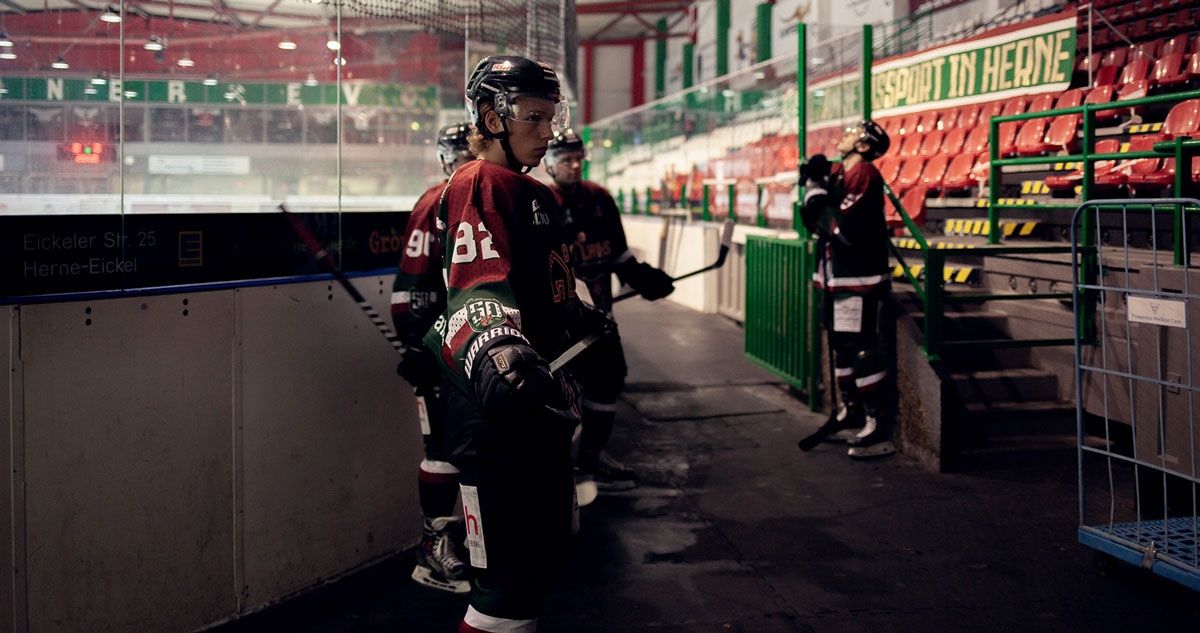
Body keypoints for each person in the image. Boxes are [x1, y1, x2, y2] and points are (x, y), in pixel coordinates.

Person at [430, 54, 610, 633]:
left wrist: (575, 315)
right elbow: (478, 292)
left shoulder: (529, 190)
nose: (548, 131)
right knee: (503, 595)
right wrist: (499, 351)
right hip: (500, 421)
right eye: (534, 117)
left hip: (535, 413)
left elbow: (540, 286)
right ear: (492, 118)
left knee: (529, 581)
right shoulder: (480, 182)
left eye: (551, 116)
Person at [543, 129, 675, 501]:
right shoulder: (540, 201)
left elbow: (618, 256)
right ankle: (557, 472)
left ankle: (591, 460)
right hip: (560, 327)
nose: (574, 165)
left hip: (600, 321)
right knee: (557, 397)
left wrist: (643, 277)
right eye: (566, 159)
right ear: (549, 163)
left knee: (608, 382)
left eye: (578, 158)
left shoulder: (599, 198)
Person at [390, 122, 476, 594]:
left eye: (472, 152)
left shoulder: (481, 198)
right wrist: (416, 344)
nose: (467, 162)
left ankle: (471, 539)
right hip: (439, 347)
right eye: (459, 154)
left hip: (471, 345)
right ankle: (433, 547)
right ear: (445, 159)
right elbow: (411, 286)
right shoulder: (435, 201)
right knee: (441, 448)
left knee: (472, 446)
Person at [800, 120, 897, 459]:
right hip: (837, 277)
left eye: (854, 133)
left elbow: (841, 227)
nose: (844, 135)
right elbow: (814, 220)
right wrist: (814, 183)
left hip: (859, 278)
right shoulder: (843, 173)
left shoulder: (864, 174)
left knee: (861, 349)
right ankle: (852, 410)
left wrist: (816, 193)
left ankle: (877, 423)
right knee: (842, 347)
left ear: (865, 146)